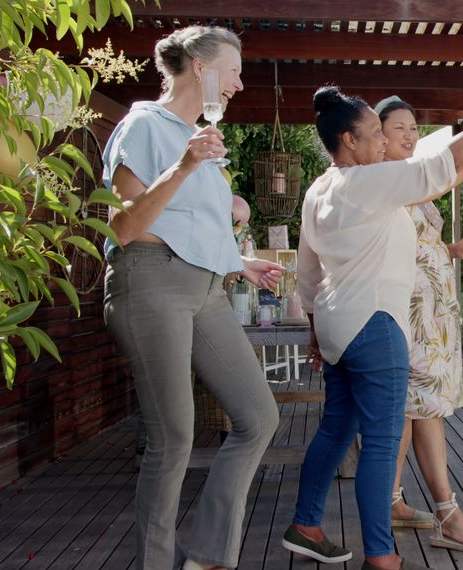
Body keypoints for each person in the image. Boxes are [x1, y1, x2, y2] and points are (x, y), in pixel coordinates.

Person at [283, 86, 463, 570]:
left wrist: (314, 329)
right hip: (374, 325)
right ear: (349, 141)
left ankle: (306, 523)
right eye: (375, 134)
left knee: (336, 429)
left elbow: (307, 273)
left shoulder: (319, 189)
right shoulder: (365, 182)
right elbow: (439, 165)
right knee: (380, 441)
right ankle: (381, 555)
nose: (383, 143)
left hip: (335, 326)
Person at [101, 25, 282, 570]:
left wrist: (239, 262)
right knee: (173, 439)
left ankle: (205, 553)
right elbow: (125, 226)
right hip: (151, 281)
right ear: (200, 69)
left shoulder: (201, 135)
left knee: (257, 416)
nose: (240, 83)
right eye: (233, 71)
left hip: (206, 288)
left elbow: (197, 227)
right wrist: (184, 165)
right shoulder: (144, 126)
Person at [373, 95, 463, 553]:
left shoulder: (404, 179)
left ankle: (392, 502)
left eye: (414, 127)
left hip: (431, 317)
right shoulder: (384, 179)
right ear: (378, 136)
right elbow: (430, 186)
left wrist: (448, 251)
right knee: (422, 410)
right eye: (399, 128)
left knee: (412, 411)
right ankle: (447, 513)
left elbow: (413, 238)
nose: (410, 135)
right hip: (409, 318)